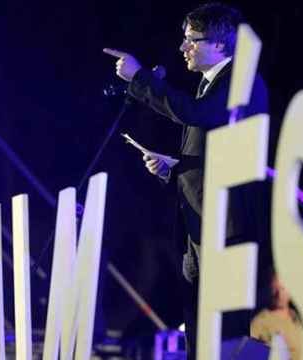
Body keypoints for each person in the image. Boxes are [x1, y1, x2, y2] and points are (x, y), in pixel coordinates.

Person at [104, 2, 269, 359]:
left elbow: (196, 115)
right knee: (199, 335)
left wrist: (139, 78)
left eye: (192, 40)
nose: (184, 48)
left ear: (221, 44)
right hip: (200, 229)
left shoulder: (242, 81)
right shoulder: (210, 86)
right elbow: (216, 159)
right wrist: (174, 168)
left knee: (225, 337)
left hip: (227, 232)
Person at [250, 271, 303, 360]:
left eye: (283, 288)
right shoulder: (259, 323)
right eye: (275, 288)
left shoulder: (298, 317)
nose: (279, 294)